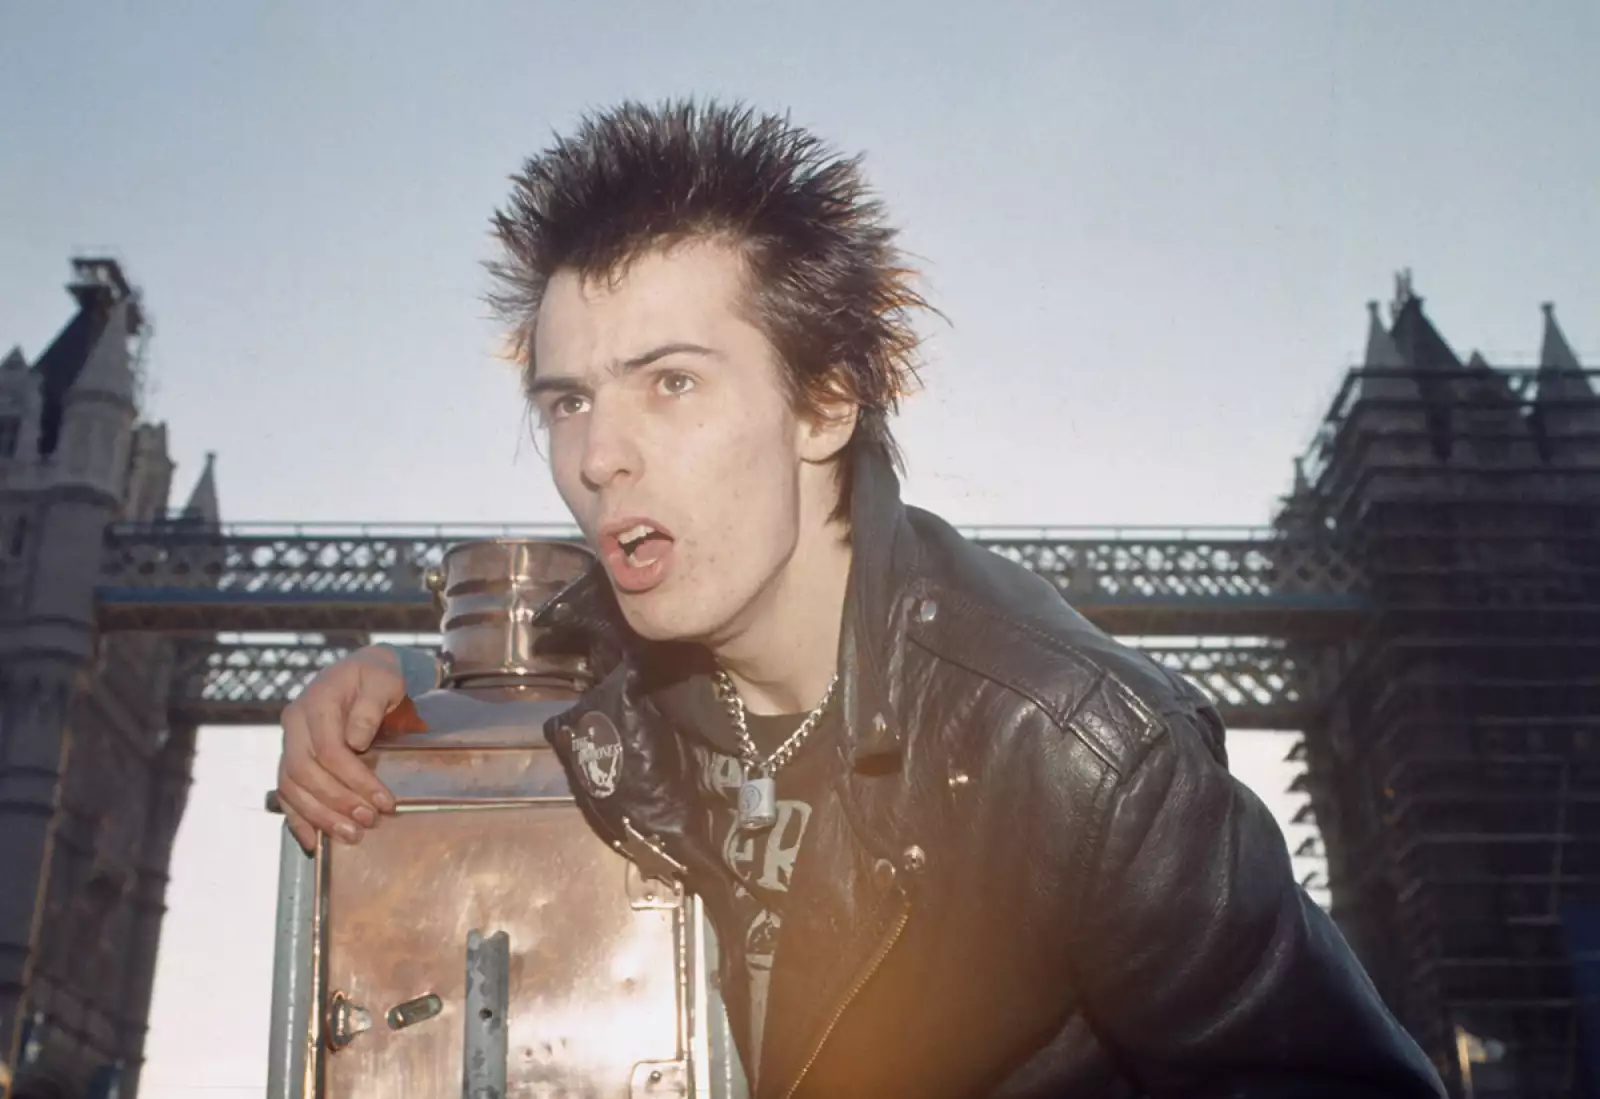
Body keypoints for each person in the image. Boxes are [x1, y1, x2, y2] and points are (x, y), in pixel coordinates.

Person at [274, 99, 1446, 1098]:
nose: (597, 457)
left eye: (670, 381)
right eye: (567, 401)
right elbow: (532, 655)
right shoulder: (620, 667)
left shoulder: (1081, 752)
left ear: (824, 403)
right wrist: (404, 688)